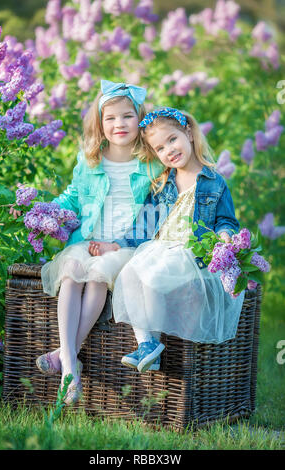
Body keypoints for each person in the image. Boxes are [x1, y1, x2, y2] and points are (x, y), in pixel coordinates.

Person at [90, 107, 245, 373]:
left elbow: (226, 220)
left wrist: (224, 238)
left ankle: (154, 343)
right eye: (160, 148)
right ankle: (147, 344)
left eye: (172, 139)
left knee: (153, 277)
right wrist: (115, 245)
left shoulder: (213, 182)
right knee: (129, 275)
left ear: (189, 133)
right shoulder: (163, 183)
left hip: (189, 251)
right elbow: (144, 225)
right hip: (159, 248)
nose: (169, 150)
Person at [36, 80, 163, 403]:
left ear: (140, 120)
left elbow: (152, 215)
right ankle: (69, 366)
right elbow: (73, 197)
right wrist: (49, 213)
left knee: (97, 276)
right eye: (111, 118)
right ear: (100, 123)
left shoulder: (151, 163)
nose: (119, 124)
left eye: (127, 117)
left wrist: (117, 244)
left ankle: (66, 355)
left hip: (124, 246)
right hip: (89, 240)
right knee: (72, 269)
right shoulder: (90, 159)